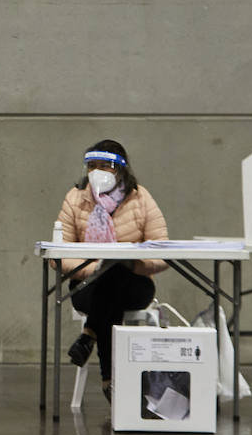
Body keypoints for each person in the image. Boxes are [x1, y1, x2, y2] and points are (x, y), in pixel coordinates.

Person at [55, 139, 168, 401]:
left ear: (120, 169)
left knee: (116, 272)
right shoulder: (75, 199)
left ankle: (89, 335)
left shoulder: (141, 197)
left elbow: (163, 253)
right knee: (107, 279)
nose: (96, 172)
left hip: (135, 284)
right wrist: (94, 268)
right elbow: (58, 256)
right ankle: (110, 381)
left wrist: (133, 262)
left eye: (104, 166)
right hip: (87, 285)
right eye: (91, 166)